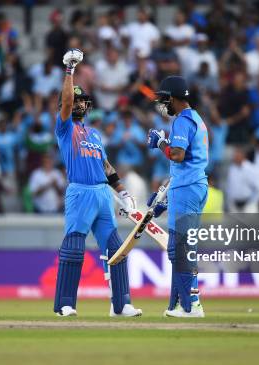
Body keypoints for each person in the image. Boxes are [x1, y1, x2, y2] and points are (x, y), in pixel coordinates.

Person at [53, 48, 141, 317]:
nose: (79, 104)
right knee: (74, 249)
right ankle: (65, 304)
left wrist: (123, 192)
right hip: (80, 192)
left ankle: (121, 304)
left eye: (82, 101)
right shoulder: (64, 128)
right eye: (75, 101)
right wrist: (69, 70)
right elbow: (67, 103)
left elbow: (106, 166)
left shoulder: (94, 134)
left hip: (103, 194)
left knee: (116, 249)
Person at [147, 75, 208, 318]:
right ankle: (178, 304)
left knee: (181, 247)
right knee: (180, 247)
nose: (164, 105)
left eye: (165, 100)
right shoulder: (196, 118)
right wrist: (167, 199)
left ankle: (191, 304)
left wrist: (161, 143)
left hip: (187, 187)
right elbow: (187, 164)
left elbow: (178, 155)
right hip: (192, 185)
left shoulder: (182, 120)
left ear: (174, 98)